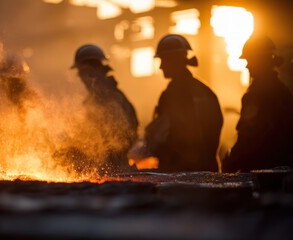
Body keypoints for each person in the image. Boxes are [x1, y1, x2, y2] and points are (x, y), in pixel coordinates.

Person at [132, 34, 223, 172]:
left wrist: (141, 152)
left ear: (174, 61)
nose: (161, 66)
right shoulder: (206, 91)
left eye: (163, 60)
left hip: (179, 172)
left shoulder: (172, 95)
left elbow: (167, 135)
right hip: (207, 170)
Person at [58, 44, 139, 175]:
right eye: (81, 74)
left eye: (84, 73)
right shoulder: (97, 99)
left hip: (111, 170)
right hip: (103, 166)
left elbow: (121, 138)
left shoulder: (109, 98)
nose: (83, 78)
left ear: (96, 70)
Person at [222, 34, 293, 172]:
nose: (247, 65)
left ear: (260, 61)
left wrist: (231, 162)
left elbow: (249, 136)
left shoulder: (257, 94)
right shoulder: (282, 91)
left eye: (250, 60)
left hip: (260, 170)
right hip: (281, 169)